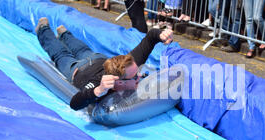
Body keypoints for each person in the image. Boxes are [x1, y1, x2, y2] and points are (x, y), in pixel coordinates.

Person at [34, 17, 174, 110]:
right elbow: (74, 103)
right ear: (117, 82)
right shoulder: (99, 83)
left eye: (137, 74)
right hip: (76, 69)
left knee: (82, 49)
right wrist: (98, 91)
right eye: (134, 77)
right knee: (60, 54)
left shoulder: (130, 64)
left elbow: (149, 39)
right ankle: (43, 29)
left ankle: (64, 34)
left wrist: (161, 34)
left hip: (96, 58)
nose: (139, 77)